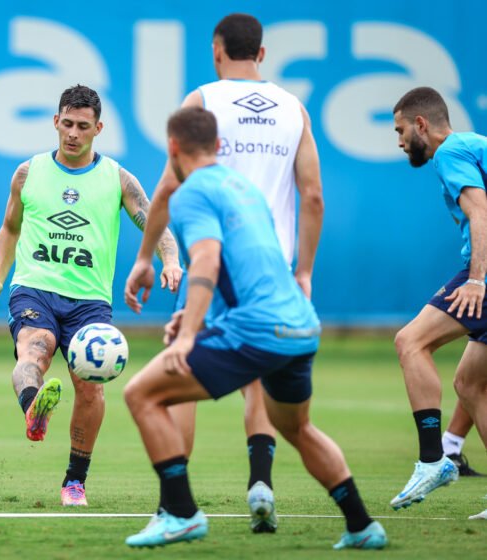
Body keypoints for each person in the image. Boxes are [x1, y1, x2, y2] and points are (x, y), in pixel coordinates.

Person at [123, 106, 387, 549]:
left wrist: (188, 336)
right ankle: (362, 525)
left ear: (172, 148)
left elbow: (206, 260)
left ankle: (181, 513)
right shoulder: (244, 188)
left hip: (259, 329)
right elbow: (243, 267)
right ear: (219, 147)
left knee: (142, 394)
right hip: (301, 325)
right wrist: (194, 319)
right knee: (297, 428)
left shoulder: (190, 194)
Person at [125, 12, 324, 532]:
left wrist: (147, 257)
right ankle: (261, 483)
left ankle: (176, 503)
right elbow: (313, 196)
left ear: (217, 51)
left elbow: (168, 187)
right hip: (273, 268)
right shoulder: (293, 108)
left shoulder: (203, 100)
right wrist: (303, 271)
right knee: (260, 382)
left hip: (211, 267)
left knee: (176, 370)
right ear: (261, 54)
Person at [0, 85, 182, 507]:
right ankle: (34, 407)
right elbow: (10, 228)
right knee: (35, 350)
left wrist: (171, 261)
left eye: (83, 126)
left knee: (90, 390)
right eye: (66, 123)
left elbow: (154, 222)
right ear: (55, 121)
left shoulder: (117, 179)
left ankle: (74, 482)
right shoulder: (28, 173)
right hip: (35, 288)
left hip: (89, 302)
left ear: (98, 128)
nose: (72, 133)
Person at [390, 86, 487, 516]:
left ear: (422, 125)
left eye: (400, 130)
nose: (399, 141)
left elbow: (480, 213)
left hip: (485, 274)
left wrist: (479, 281)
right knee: (469, 383)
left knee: (410, 342)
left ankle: (433, 460)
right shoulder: (473, 146)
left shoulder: (450, 153)